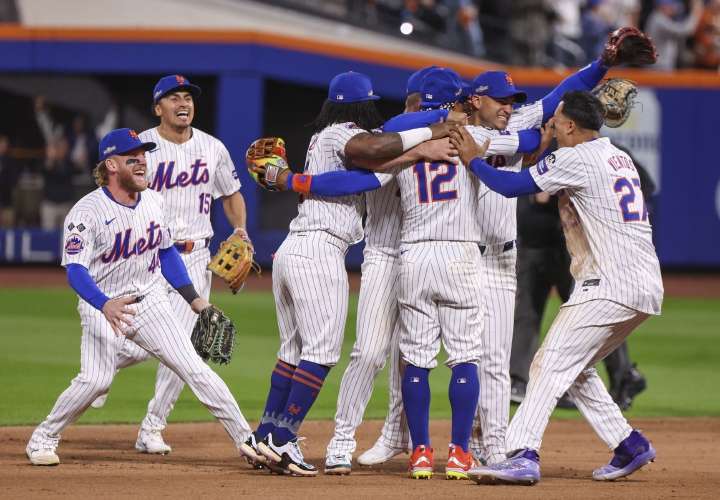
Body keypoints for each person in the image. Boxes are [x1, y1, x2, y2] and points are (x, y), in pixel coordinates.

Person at [245, 71, 455, 477]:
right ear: (361, 104)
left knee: (292, 350)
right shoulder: (343, 133)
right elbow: (372, 149)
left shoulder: (324, 138)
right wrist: (421, 144)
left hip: (296, 248)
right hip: (320, 248)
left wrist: (294, 179)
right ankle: (283, 439)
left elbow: (361, 172)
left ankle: (266, 434)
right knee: (321, 353)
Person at [452, 90, 662, 485]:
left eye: (556, 121)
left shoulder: (575, 157)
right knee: (574, 368)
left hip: (609, 283)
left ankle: (521, 453)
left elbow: (510, 187)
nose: (551, 125)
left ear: (568, 126)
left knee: (547, 365)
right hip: (644, 284)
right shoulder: (617, 155)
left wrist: (473, 160)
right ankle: (628, 443)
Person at [25, 128, 259, 466]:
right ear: (111, 165)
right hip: (102, 303)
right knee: (96, 380)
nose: (142, 163)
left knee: (193, 367)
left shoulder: (154, 201)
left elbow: (166, 254)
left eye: (144, 156)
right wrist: (103, 304)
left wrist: (195, 300)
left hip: (149, 300)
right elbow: (75, 271)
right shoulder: (85, 212)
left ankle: (247, 440)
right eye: (132, 158)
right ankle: (43, 437)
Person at [90, 74, 253, 456]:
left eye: (188, 97)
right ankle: (104, 363)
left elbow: (231, 194)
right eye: (173, 97)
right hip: (146, 253)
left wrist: (242, 230)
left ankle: (151, 426)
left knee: (183, 346)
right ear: (157, 107)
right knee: (143, 332)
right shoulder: (142, 147)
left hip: (195, 255)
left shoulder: (212, 148)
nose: (184, 103)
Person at [646, 0, 703, 70]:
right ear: (663, 6)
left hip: (660, 65)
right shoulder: (658, 19)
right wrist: (696, 13)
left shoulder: (659, 17)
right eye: (671, 6)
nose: (673, 8)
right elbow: (684, 31)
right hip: (658, 67)